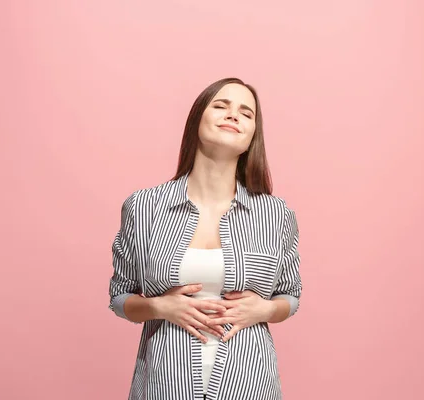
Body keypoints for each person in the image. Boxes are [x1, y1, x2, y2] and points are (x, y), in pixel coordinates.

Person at [109, 77, 302, 400]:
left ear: (253, 135)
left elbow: (291, 295)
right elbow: (119, 297)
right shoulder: (144, 207)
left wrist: (264, 311)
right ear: (197, 119)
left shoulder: (276, 213)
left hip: (250, 383)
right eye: (221, 106)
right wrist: (161, 307)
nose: (233, 115)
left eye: (246, 112)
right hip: (165, 383)